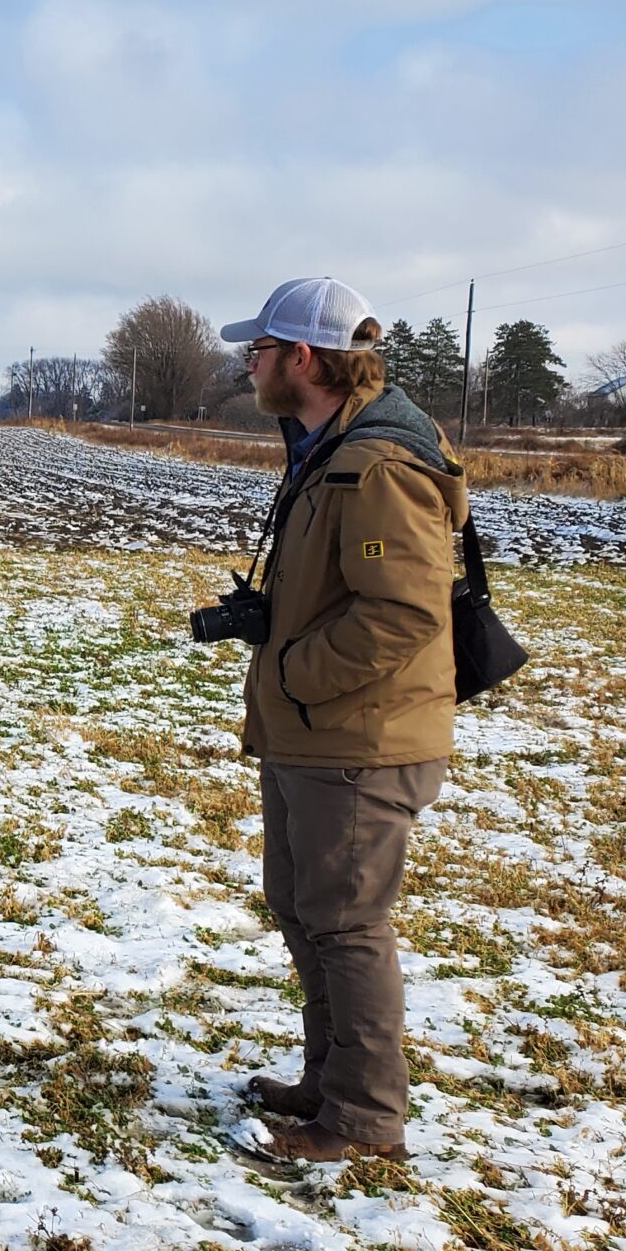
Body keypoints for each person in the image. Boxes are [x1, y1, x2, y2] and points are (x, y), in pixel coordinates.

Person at [220, 278, 465, 1165]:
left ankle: (362, 1120)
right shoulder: (333, 447)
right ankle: (328, 1081)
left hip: (358, 739)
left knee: (347, 920)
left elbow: (403, 613)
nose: (250, 365)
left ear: (303, 359)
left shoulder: (379, 465)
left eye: (260, 351)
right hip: (317, 731)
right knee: (304, 905)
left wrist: (290, 671)